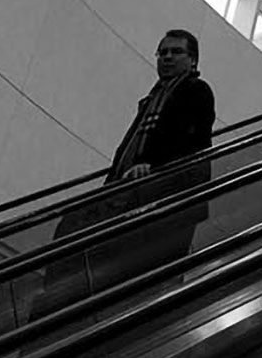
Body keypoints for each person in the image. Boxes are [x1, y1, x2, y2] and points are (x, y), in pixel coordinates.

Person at [35, 29, 215, 314]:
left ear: (192, 60)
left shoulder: (196, 91)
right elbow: (130, 148)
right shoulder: (153, 98)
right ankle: (61, 303)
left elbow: (191, 139)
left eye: (175, 52)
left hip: (163, 195)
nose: (167, 57)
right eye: (162, 52)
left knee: (134, 272)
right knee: (75, 230)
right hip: (129, 189)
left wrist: (151, 163)